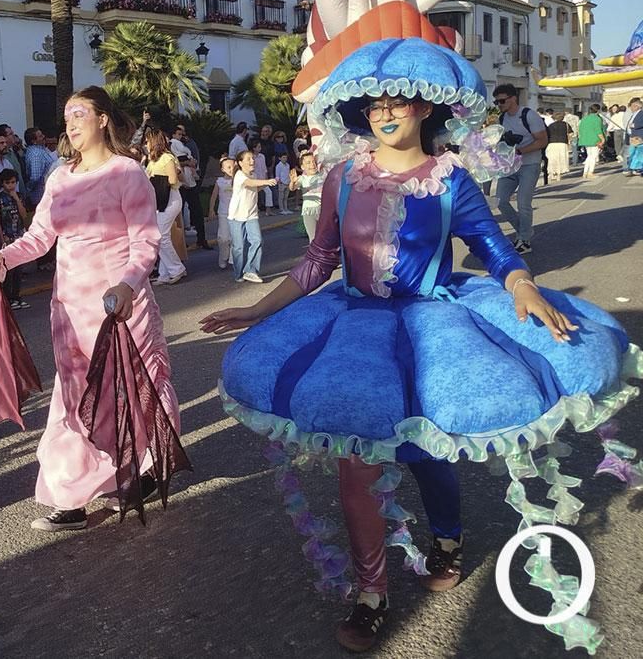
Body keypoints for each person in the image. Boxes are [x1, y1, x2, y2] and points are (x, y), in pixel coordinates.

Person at [202, 37, 636, 654]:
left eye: (400, 100)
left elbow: (492, 244)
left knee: (428, 449)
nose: (385, 110)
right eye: (375, 101)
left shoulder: (450, 179)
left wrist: (521, 286)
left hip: (432, 321)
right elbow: (318, 260)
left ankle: (448, 538)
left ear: (427, 108)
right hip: (355, 327)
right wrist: (255, 308)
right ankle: (372, 593)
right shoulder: (341, 179)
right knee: (357, 460)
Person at [0, 85, 183, 531]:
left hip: (120, 309)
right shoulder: (59, 176)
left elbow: (145, 241)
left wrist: (128, 285)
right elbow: (39, 237)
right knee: (74, 398)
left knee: (134, 388)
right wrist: (1, 260)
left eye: (80, 115)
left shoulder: (127, 172)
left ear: (103, 119)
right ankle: (70, 497)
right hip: (70, 309)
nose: (70, 124)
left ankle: (147, 468)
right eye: (67, 117)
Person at [492, 84, 547, 255]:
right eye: (496, 102)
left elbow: (542, 141)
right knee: (501, 201)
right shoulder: (502, 118)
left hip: (530, 164)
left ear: (513, 98)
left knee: (523, 203)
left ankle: (524, 240)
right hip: (509, 166)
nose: (499, 105)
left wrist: (520, 151)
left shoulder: (529, 115)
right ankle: (524, 231)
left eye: (502, 101)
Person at [145, 128, 186, 286]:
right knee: (161, 236)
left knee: (160, 235)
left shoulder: (167, 158)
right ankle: (165, 273)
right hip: (160, 199)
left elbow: (173, 179)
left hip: (170, 198)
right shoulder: (153, 159)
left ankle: (176, 268)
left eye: (148, 140)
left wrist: (156, 181)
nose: (146, 143)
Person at [228, 151, 276, 284]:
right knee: (239, 246)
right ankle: (238, 273)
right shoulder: (239, 175)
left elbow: (255, 187)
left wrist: (268, 184)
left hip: (251, 214)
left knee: (257, 240)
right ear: (240, 162)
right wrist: (266, 180)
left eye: (253, 159)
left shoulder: (253, 175)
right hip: (236, 216)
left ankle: (251, 270)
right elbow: (249, 183)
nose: (252, 161)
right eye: (248, 159)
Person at [0, 168, 30, 309]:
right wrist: (1, 238)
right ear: (3, 183)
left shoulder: (18, 196)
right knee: (9, 269)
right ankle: (8, 298)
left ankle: (17, 295)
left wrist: (16, 198)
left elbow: (24, 215)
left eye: (13, 182)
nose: (11, 186)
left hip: (18, 235)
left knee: (18, 269)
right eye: (8, 183)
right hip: (7, 236)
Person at [172, 124, 208, 250]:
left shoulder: (186, 144)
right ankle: (181, 241)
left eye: (182, 133)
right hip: (181, 183)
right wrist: (187, 162)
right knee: (179, 213)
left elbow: (191, 157)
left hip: (191, 181)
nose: (181, 136)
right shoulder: (172, 145)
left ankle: (202, 239)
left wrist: (192, 162)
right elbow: (175, 161)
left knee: (197, 210)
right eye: (178, 133)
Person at [207, 154, 235, 270]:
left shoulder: (238, 180)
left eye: (232, 167)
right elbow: (214, 196)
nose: (231, 169)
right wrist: (211, 209)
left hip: (236, 212)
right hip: (223, 212)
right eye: (228, 167)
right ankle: (223, 256)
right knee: (224, 238)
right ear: (223, 169)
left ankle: (234, 259)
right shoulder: (220, 181)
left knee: (235, 237)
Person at [289, 151, 324, 240]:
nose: (312, 164)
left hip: (324, 211)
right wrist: (292, 182)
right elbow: (292, 188)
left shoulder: (323, 176)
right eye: (308, 163)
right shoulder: (302, 178)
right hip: (308, 212)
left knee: (325, 238)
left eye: (313, 162)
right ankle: (314, 253)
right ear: (302, 167)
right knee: (313, 239)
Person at [23, 127, 52, 208]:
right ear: (33, 141)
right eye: (40, 136)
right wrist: (28, 190)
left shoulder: (41, 150)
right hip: (40, 196)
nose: (43, 136)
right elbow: (35, 177)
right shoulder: (36, 154)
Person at [577, 104, 607, 180]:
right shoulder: (597, 118)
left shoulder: (584, 118)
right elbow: (598, 130)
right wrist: (603, 139)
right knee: (594, 156)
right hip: (595, 139)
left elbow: (580, 129)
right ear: (598, 110)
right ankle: (590, 172)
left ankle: (585, 172)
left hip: (585, 139)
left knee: (589, 156)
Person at [544, 112, 573, 183]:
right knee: (561, 158)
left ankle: (552, 173)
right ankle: (558, 174)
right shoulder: (566, 125)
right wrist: (569, 140)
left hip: (552, 143)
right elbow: (571, 133)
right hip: (562, 143)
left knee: (552, 158)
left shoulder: (551, 125)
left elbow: (547, 134)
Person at [627, 98, 643, 177]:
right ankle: (633, 168)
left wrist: (633, 125)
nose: (631, 108)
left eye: (633, 106)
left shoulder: (641, 113)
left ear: (637, 106)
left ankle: (637, 168)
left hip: (639, 136)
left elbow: (640, 123)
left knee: (638, 153)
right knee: (632, 153)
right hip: (633, 136)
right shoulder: (634, 114)